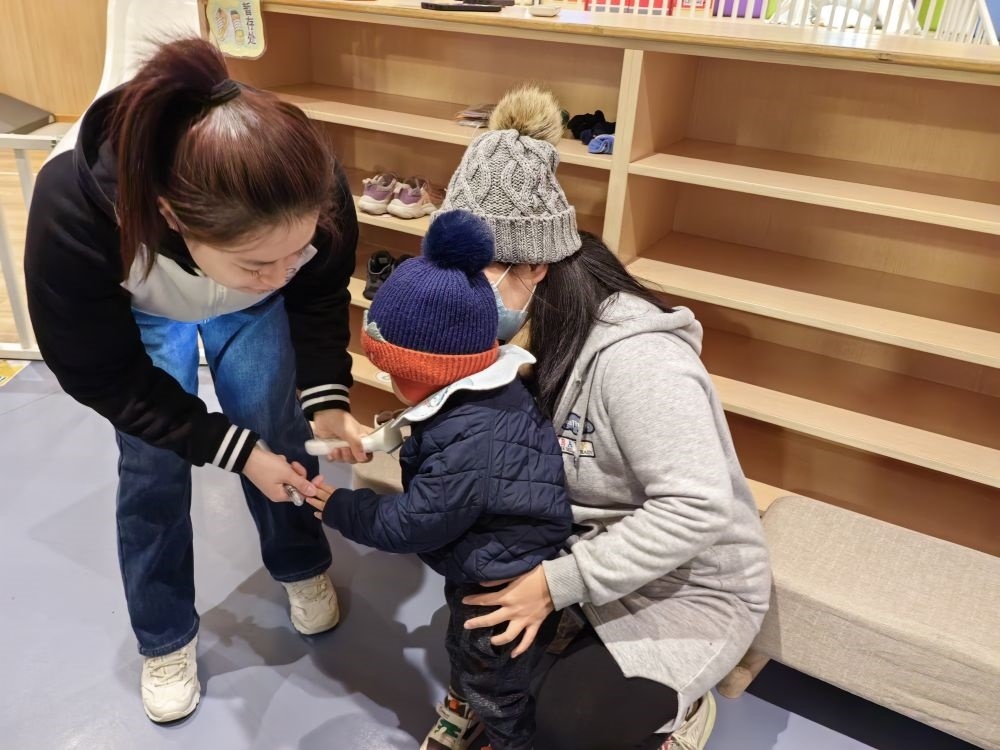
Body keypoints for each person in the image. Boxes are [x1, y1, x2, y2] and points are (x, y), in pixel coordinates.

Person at [24, 38, 370, 723]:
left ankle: (300, 564)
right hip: (142, 307)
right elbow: (104, 375)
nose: (284, 270)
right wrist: (230, 451)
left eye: (296, 249)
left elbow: (317, 289)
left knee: (278, 427)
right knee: (152, 463)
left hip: (240, 300)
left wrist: (327, 394)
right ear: (173, 216)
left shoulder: (300, 179)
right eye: (259, 262)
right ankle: (165, 634)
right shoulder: (76, 210)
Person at [434, 85, 772, 750]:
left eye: (473, 273)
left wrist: (556, 583)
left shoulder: (638, 359)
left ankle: (682, 711)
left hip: (683, 582)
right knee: (483, 628)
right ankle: (484, 691)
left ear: (533, 266)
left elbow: (695, 509)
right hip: (574, 550)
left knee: (570, 724)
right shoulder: (510, 328)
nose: (457, 292)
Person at [303, 210, 572, 750]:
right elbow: (430, 435)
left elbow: (415, 522)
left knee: (491, 676)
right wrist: (381, 440)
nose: (386, 378)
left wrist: (340, 507)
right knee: (471, 648)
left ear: (432, 372)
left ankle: (504, 736)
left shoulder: (470, 438)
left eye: (395, 372)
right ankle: (470, 696)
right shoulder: (483, 389)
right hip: (492, 549)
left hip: (501, 578)